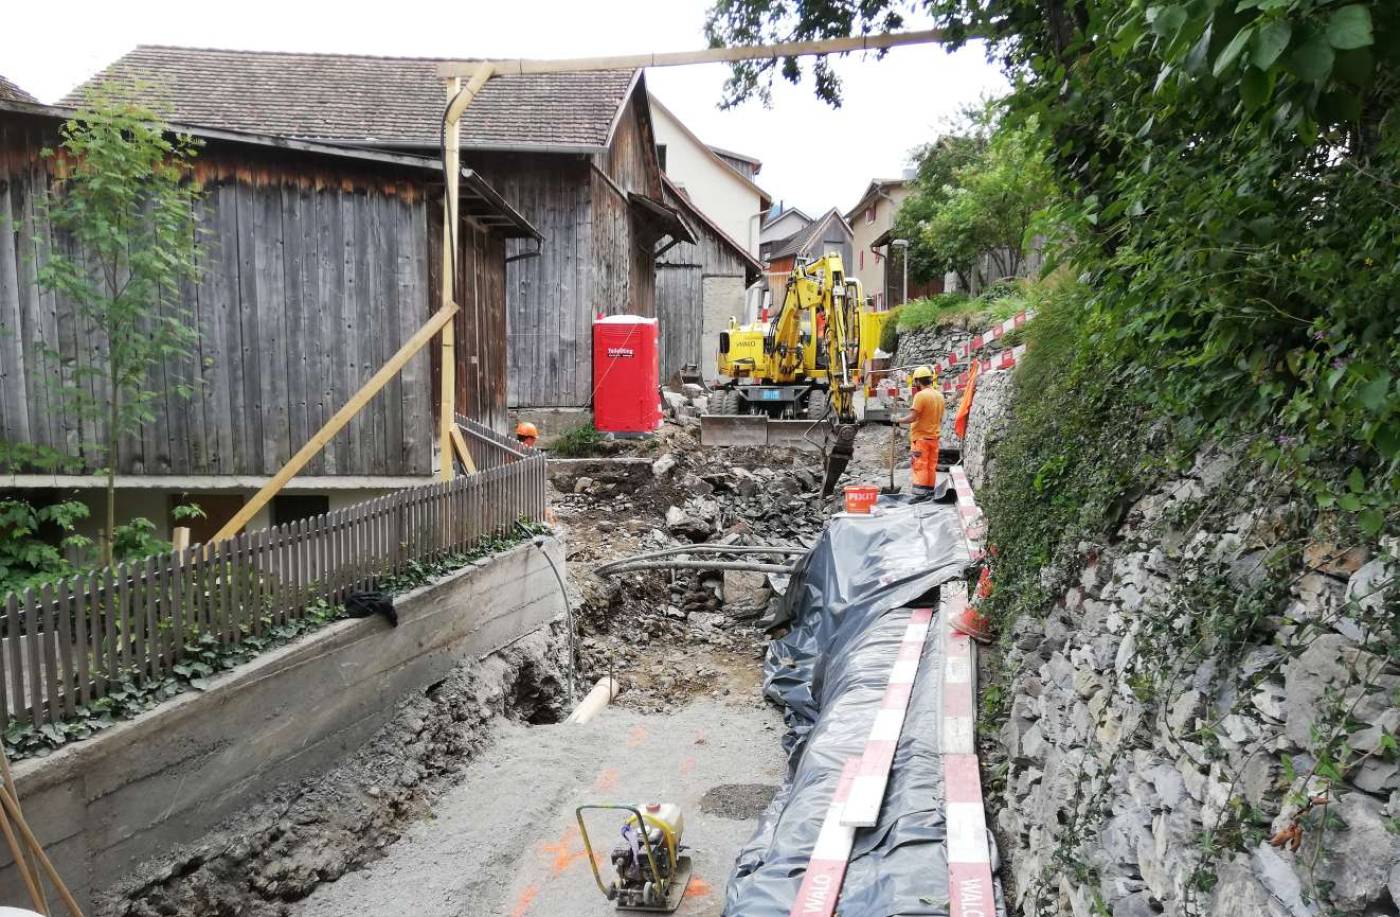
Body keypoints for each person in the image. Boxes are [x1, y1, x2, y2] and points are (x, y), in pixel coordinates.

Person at [896, 365, 946, 494]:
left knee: (920, 465)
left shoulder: (920, 396)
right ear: (930, 379)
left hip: (921, 439)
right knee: (931, 466)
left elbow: (912, 417)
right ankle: (929, 491)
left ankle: (919, 493)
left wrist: (897, 419)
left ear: (917, 381)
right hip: (934, 438)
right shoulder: (939, 395)